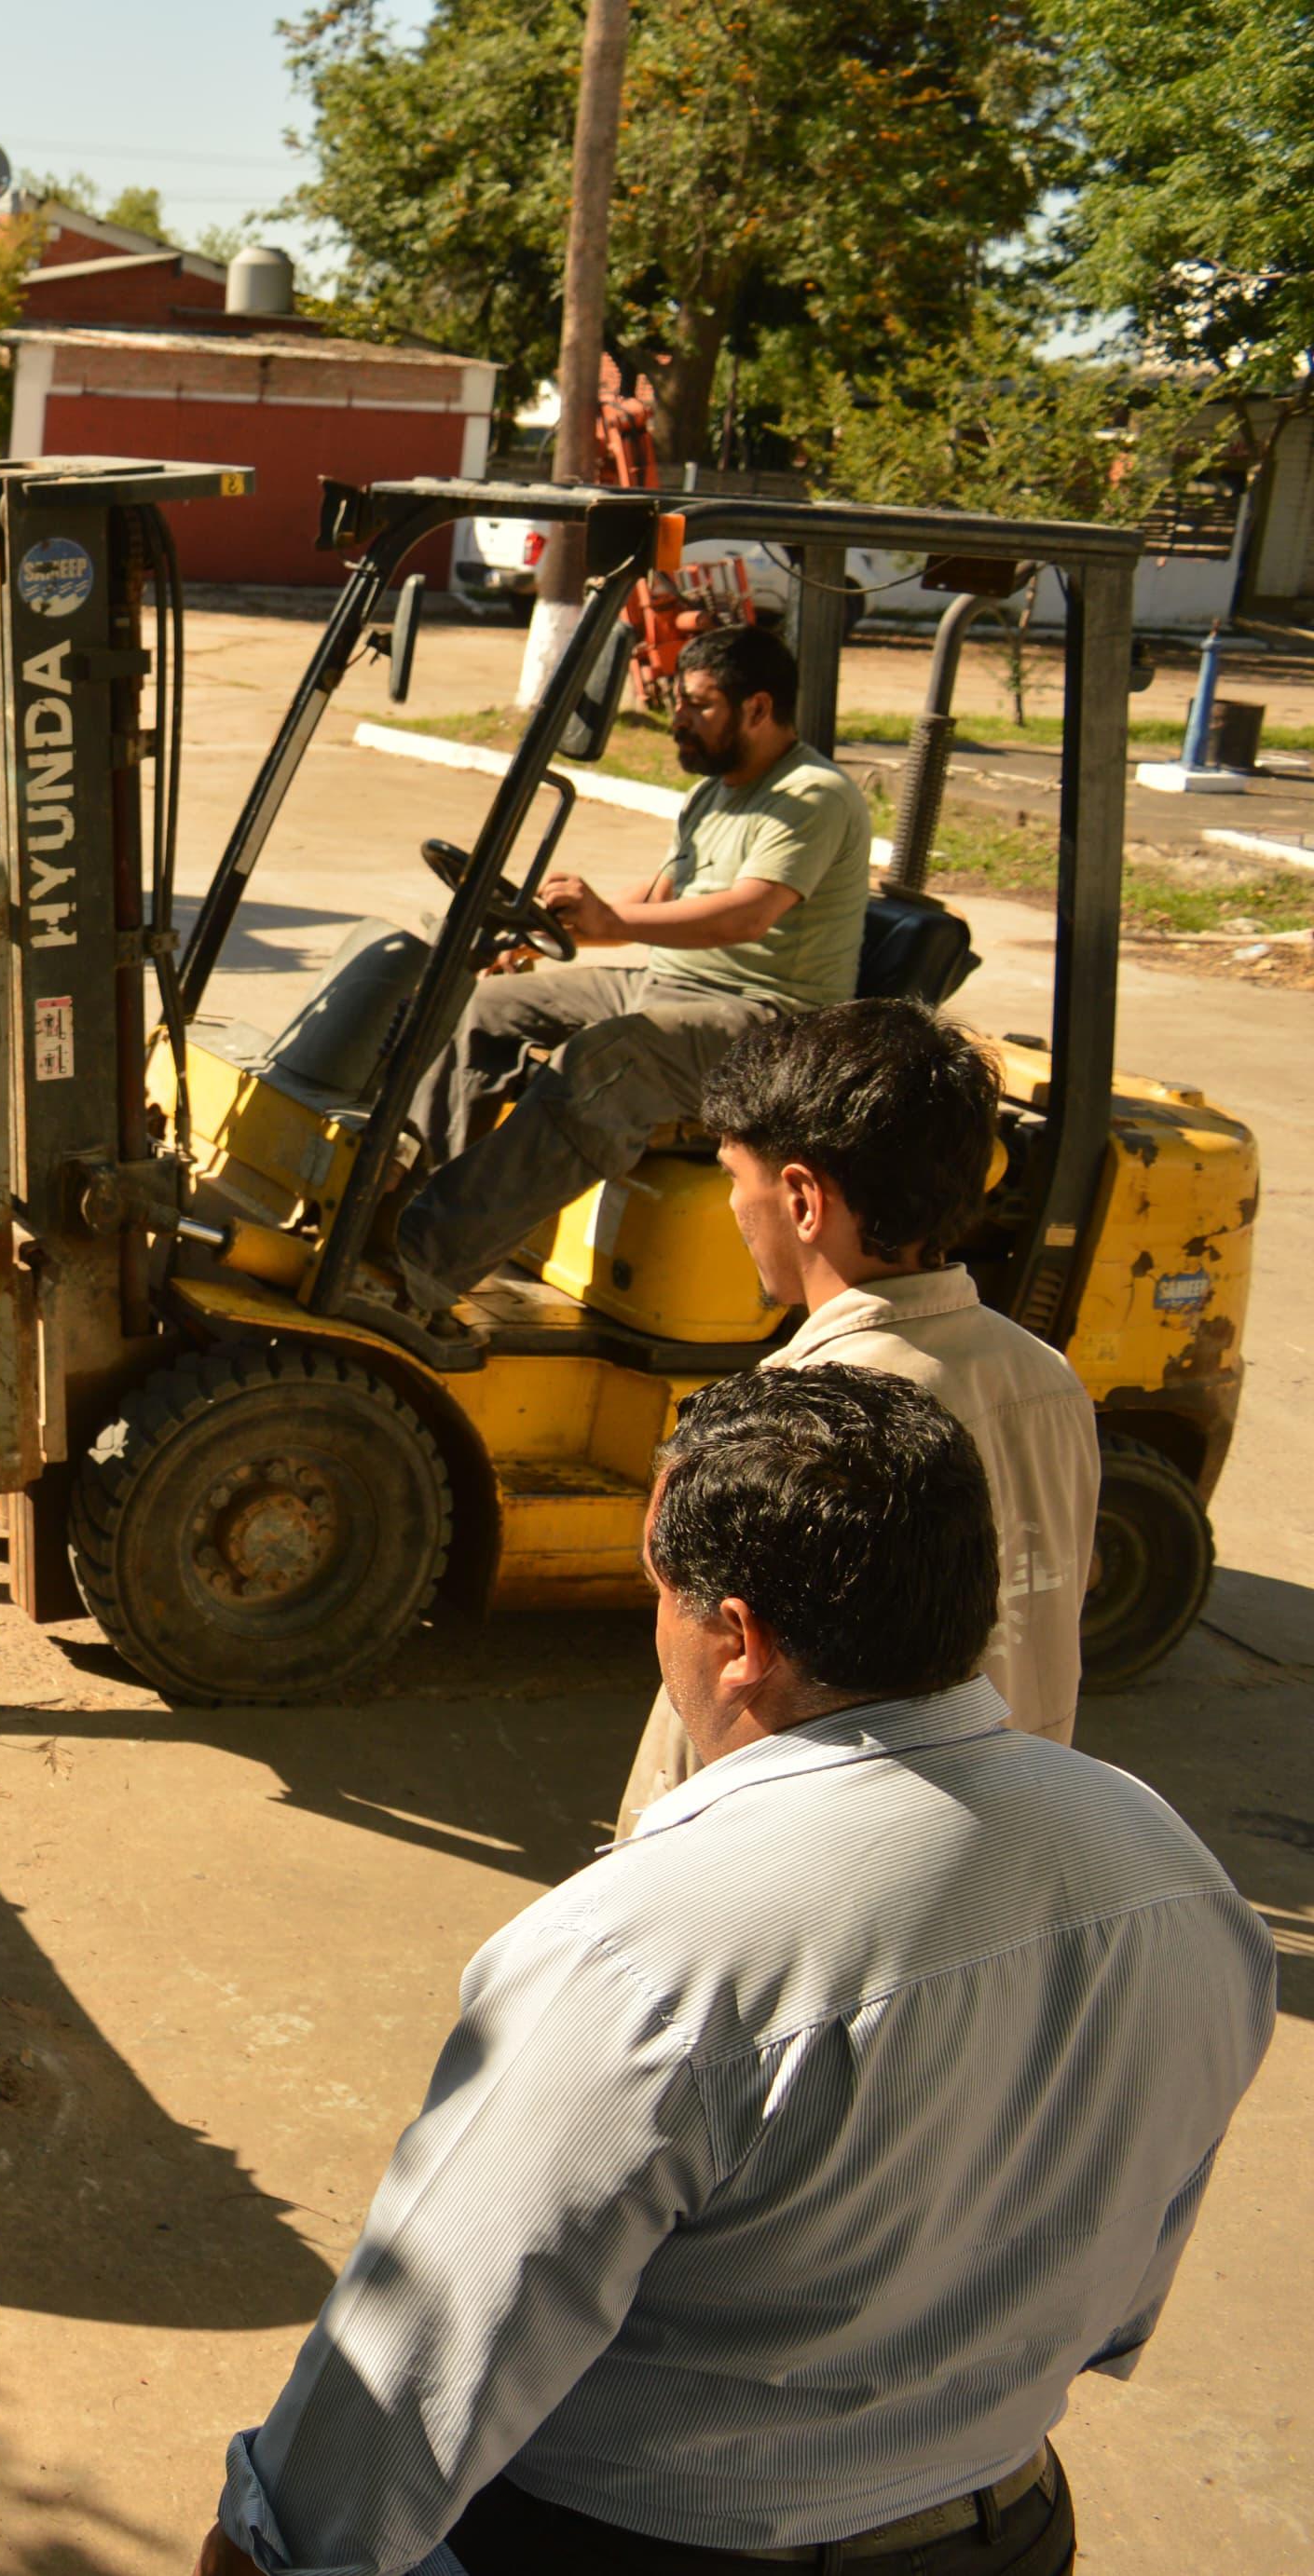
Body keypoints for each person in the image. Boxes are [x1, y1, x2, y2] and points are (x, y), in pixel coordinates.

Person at [205, 1365, 1272, 2576]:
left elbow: (412, 2373)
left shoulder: (641, 1955)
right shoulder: (1170, 1873)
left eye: (661, 1592)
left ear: (738, 1640)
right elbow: (1113, 2302)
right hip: (1007, 2524)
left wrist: (265, 2550)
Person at [614, 999, 1099, 1832]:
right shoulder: (1047, 1378)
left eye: (734, 1177)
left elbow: (722, 1686)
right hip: (1014, 1825)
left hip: (814, 1851)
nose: (732, 1208)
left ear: (802, 1197)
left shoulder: (791, 1425)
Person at [393, 622, 873, 1308]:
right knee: (483, 1009)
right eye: (679, 701)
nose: (677, 719)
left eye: (699, 705)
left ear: (758, 709)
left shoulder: (812, 796)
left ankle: (423, 1268)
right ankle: (404, 1207)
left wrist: (613, 923)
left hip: (771, 1023)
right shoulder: (716, 792)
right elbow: (661, 896)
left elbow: (748, 913)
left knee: (605, 1061)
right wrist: (543, 926)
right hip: (672, 986)